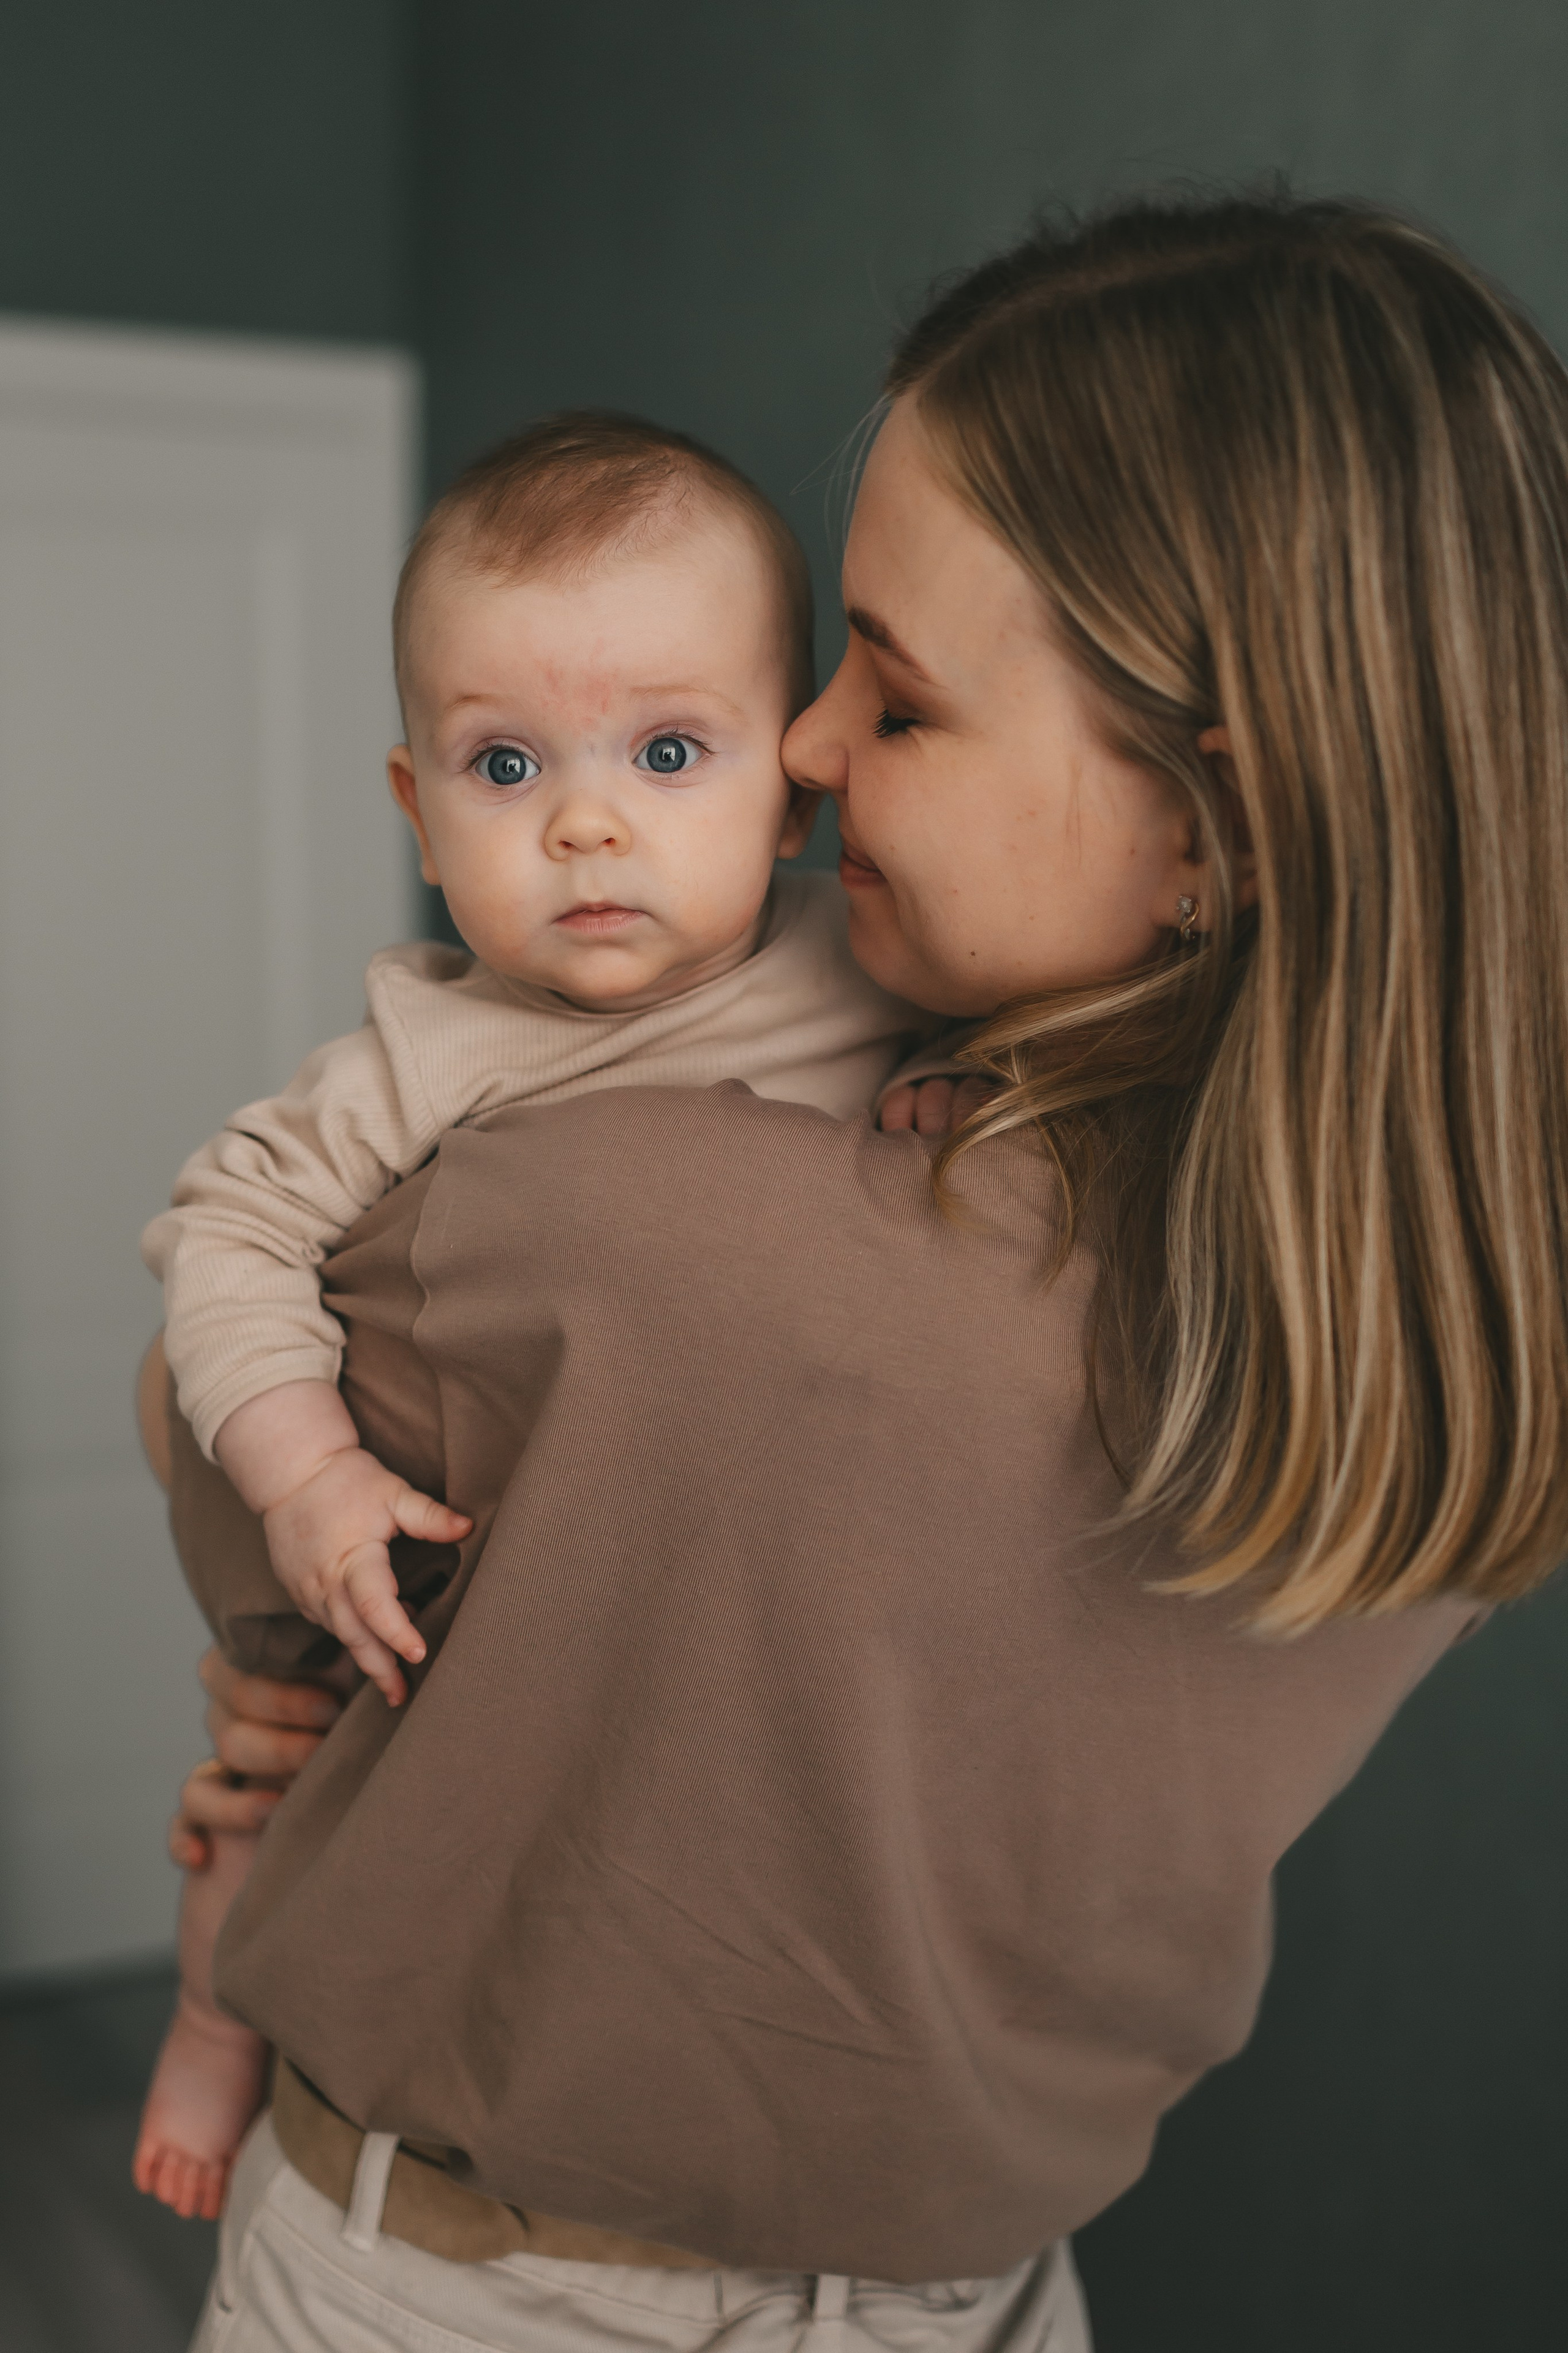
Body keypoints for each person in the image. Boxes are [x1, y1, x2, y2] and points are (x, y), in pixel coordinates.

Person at [155, 192, 1568, 2353]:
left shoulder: (622, 1221)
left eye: (891, 705)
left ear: (1223, 826)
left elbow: (207, 1440)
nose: (802, 755)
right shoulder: (1467, 1319)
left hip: (464, 2285)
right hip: (978, 2299)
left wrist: (279, 1666)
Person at [134, 410, 944, 2220]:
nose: (586, 820)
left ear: (796, 788)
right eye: (507, 767)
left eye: (668, 750)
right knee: (262, 1797)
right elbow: (223, 1232)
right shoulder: (426, 1042)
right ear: (419, 811)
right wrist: (307, 1480)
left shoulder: (871, 974)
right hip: (404, 1577)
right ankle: (203, 2019)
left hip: (666, 1608)